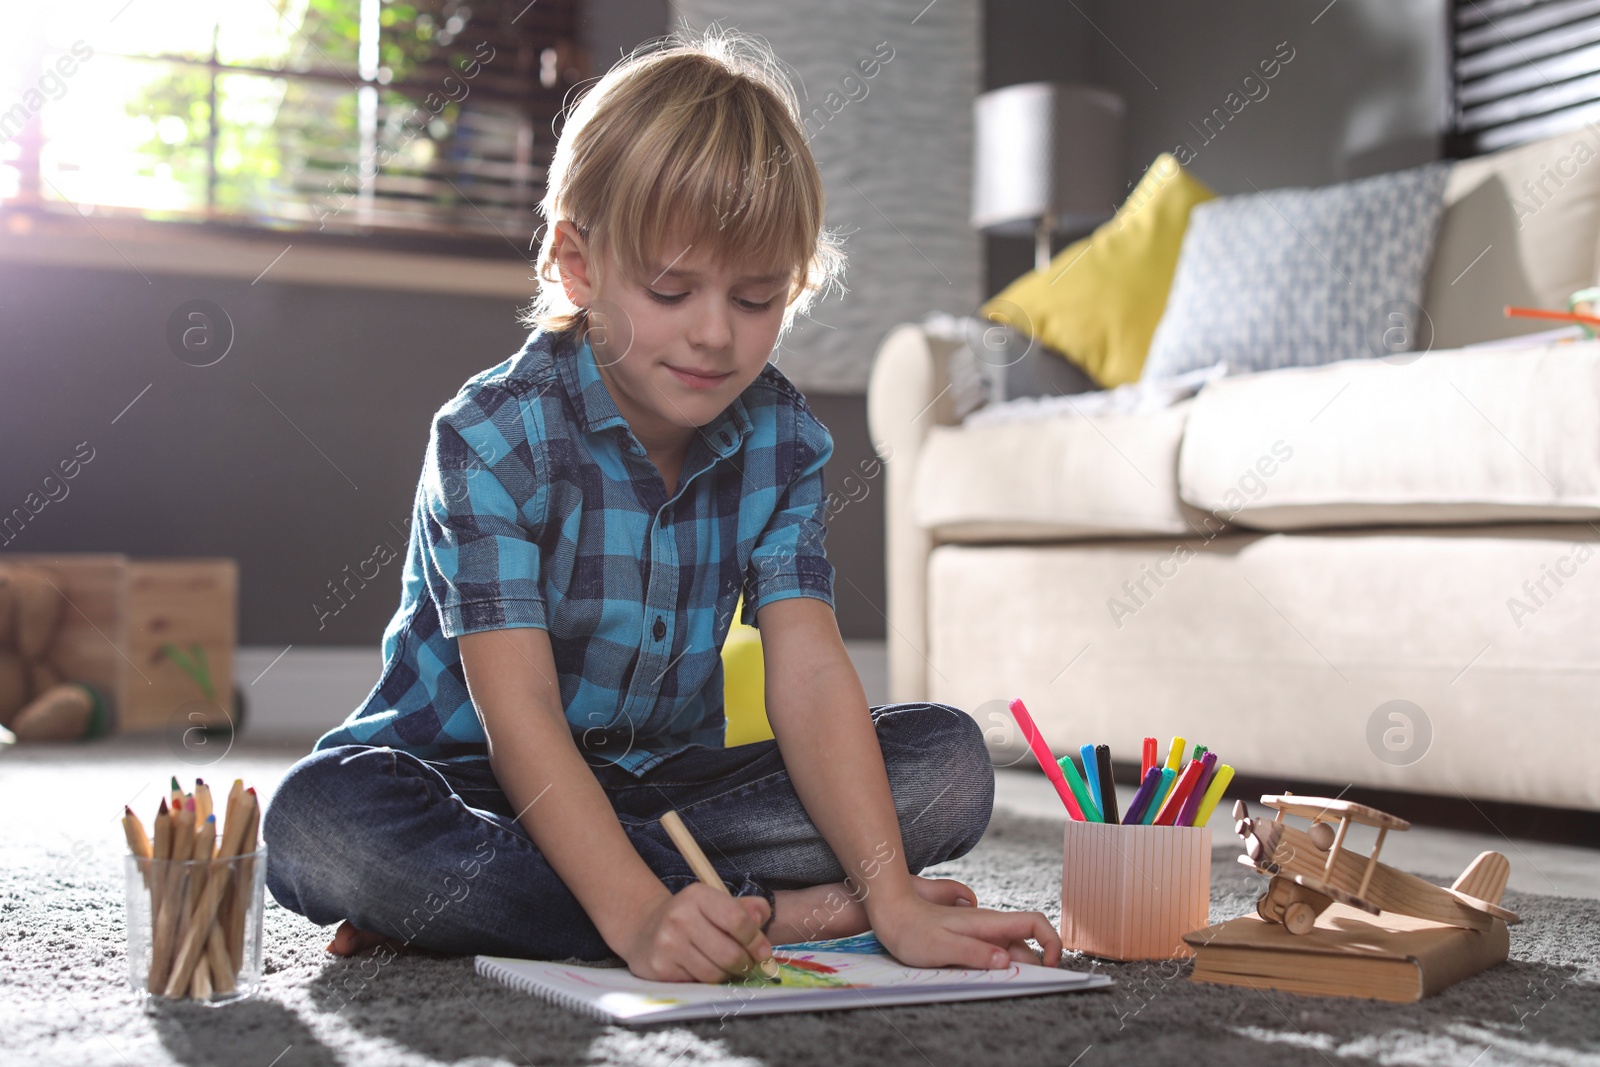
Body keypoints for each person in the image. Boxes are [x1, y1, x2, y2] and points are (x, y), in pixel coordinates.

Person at [263, 25, 1063, 984]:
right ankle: (753, 908)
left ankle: (518, 909)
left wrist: (890, 899)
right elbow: (519, 718)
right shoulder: (490, 437)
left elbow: (808, 674)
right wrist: (640, 919)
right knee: (322, 826)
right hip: (472, 785)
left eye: (758, 298)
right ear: (579, 265)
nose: (716, 335)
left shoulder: (782, 439)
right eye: (674, 289)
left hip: (667, 796)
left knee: (948, 765)